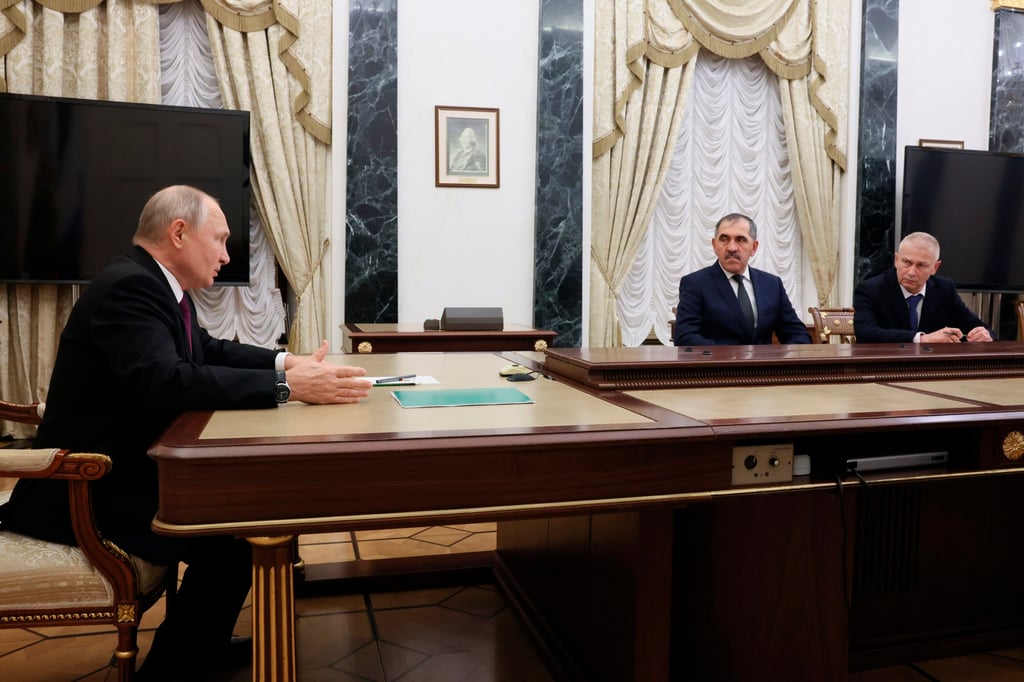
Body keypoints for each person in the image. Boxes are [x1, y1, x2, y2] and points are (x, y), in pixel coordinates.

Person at [0, 185, 373, 681]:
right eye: (219, 240)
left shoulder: (155, 284)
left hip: (122, 472)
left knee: (239, 518)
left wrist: (288, 362)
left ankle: (201, 646)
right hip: (84, 490)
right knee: (235, 534)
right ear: (179, 233)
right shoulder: (130, 287)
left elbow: (207, 351)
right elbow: (167, 380)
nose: (225, 255)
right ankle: (176, 669)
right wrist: (287, 387)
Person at [673, 213, 811, 346]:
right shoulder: (695, 284)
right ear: (715, 245)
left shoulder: (772, 284)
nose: (732, 248)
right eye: (724, 239)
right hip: (718, 367)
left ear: (754, 247)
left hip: (765, 368)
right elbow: (686, 337)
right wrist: (731, 358)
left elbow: (796, 334)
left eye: (740, 240)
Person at [853, 231, 995, 343]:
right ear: (897, 260)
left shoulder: (945, 290)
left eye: (921, 265)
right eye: (906, 262)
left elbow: (977, 327)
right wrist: (921, 339)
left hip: (931, 371)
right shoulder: (871, 290)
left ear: (935, 267)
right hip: (884, 368)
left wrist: (985, 335)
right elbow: (865, 333)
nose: (911, 272)